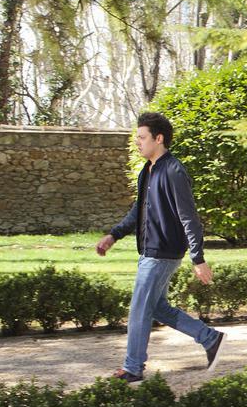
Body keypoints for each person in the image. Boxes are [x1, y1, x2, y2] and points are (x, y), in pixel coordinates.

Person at [95, 112, 226, 383]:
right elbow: (137, 211)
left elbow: (189, 216)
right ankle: (210, 339)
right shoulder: (148, 170)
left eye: (142, 138)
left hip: (162, 252)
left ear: (159, 138)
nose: (137, 142)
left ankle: (133, 368)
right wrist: (114, 235)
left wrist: (198, 258)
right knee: (157, 308)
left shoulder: (174, 170)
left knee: (139, 308)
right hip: (150, 251)